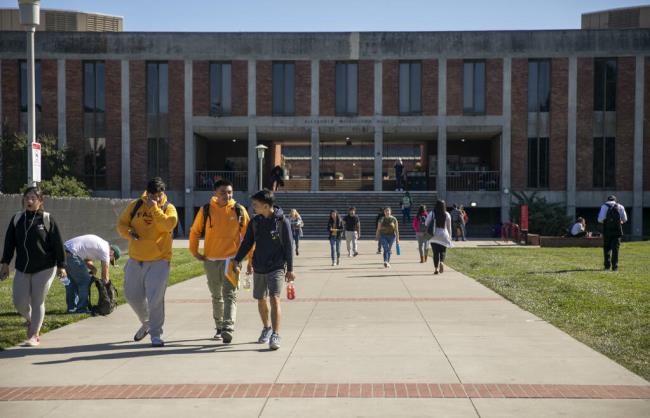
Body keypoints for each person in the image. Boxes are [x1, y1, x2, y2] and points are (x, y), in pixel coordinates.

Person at [0, 187, 66, 347]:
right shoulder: (17, 219)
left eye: (33, 198)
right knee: (19, 302)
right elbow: (9, 243)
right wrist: (5, 263)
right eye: (27, 198)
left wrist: (61, 265)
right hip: (22, 267)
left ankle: (34, 334)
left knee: (37, 301)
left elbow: (58, 244)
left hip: (45, 267)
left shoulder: (47, 219)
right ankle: (32, 320)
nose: (29, 201)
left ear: (40, 201)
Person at [117, 177, 178, 347]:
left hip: (159, 260)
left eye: (159, 195)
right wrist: (129, 233)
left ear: (163, 193)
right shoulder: (136, 205)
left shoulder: (168, 208)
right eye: (153, 195)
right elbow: (121, 224)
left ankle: (156, 335)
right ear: (147, 193)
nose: (156, 198)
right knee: (131, 296)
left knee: (155, 300)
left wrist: (155, 209)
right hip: (136, 259)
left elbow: (168, 225)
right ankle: (147, 323)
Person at [189, 179, 250, 343]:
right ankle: (219, 327)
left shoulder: (239, 210)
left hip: (232, 260)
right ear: (215, 194)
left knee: (230, 294)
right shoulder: (206, 210)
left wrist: (250, 259)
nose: (227, 195)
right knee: (216, 295)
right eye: (223, 192)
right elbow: (195, 231)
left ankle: (228, 328)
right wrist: (194, 251)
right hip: (211, 260)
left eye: (230, 192)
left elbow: (249, 237)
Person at [233, 189, 294, 351]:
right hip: (259, 265)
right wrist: (238, 259)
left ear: (266, 206)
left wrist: (291, 269)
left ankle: (276, 334)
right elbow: (247, 242)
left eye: (256, 205)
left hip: (277, 266)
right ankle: (266, 328)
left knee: (274, 297)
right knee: (261, 299)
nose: (253, 207)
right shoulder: (255, 222)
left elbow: (288, 246)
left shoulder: (282, 221)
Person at [63, 234, 120, 314]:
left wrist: (93, 268)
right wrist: (107, 288)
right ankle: (81, 309)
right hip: (72, 253)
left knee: (72, 283)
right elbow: (105, 274)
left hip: (64, 251)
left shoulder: (101, 244)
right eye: (112, 259)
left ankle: (72, 308)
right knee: (85, 281)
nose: (109, 260)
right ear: (112, 252)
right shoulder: (106, 251)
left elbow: (86, 258)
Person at [597, 195, 628, 271]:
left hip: (607, 230)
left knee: (607, 248)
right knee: (615, 249)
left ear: (607, 200)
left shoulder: (604, 206)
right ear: (615, 200)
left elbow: (600, 220)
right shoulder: (620, 206)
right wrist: (620, 221)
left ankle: (607, 266)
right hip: (617, 231)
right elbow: (625, 219)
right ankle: (615, 267)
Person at [426, 200, 453, 275]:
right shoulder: (447, 214)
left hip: (433, 236)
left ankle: (436, 269)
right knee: (443, 251)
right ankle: (441, 262)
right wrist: (450, 236)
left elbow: (426, 223)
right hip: (444, 235)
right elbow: (449, 227)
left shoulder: (432, 213)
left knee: (435, 253)